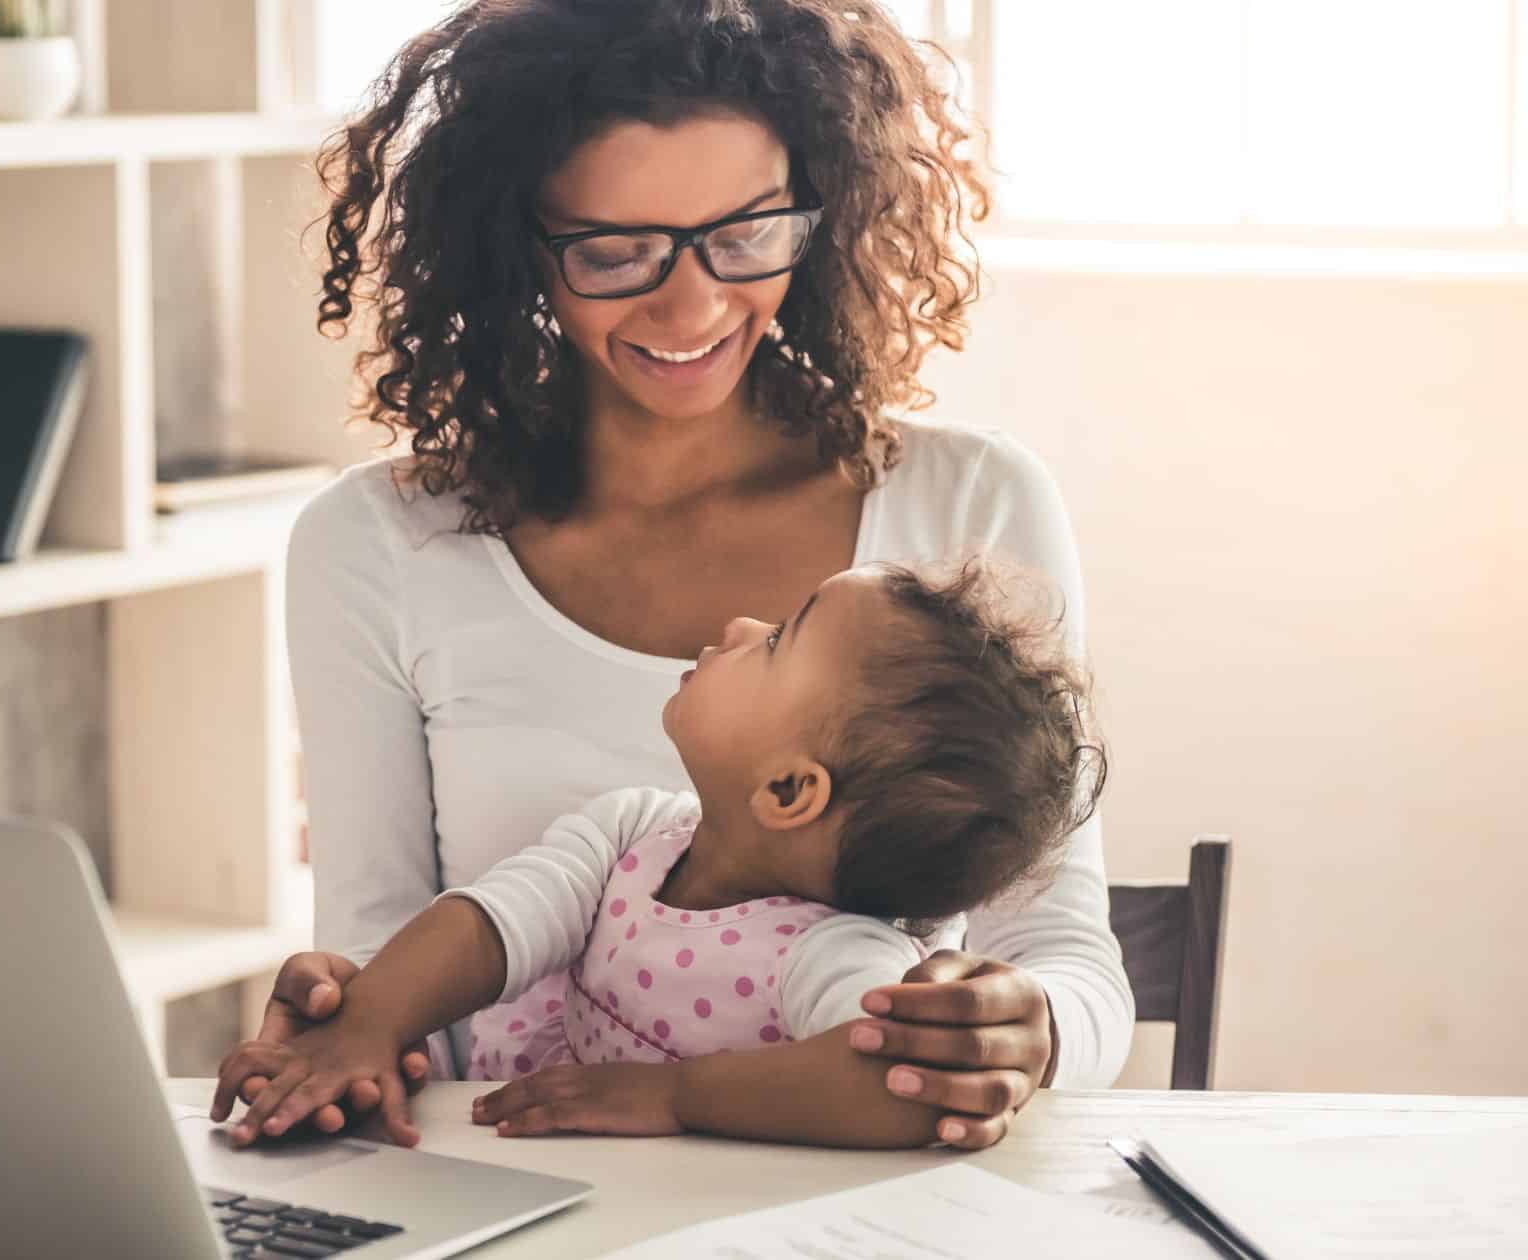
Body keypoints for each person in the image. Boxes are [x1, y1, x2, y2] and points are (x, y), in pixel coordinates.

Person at [248, 0, 1133, 1152]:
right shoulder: (373, 545)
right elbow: (385, 954)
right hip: (513, 1184)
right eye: (614, 251)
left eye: (745, 234)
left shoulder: (970, 503)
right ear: (516, 245)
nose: (692, 305)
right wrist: (347, 1018)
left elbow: (1063, 955)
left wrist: (1026, 1032)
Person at [216, 560, 1104, 1148]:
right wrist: (367, 1022)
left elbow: (899, 1083)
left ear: (790, 792)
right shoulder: (630, 834)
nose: (743, 620)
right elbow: (492, 925)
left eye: (778, 641)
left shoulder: (833, 952)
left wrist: (677, 1097)